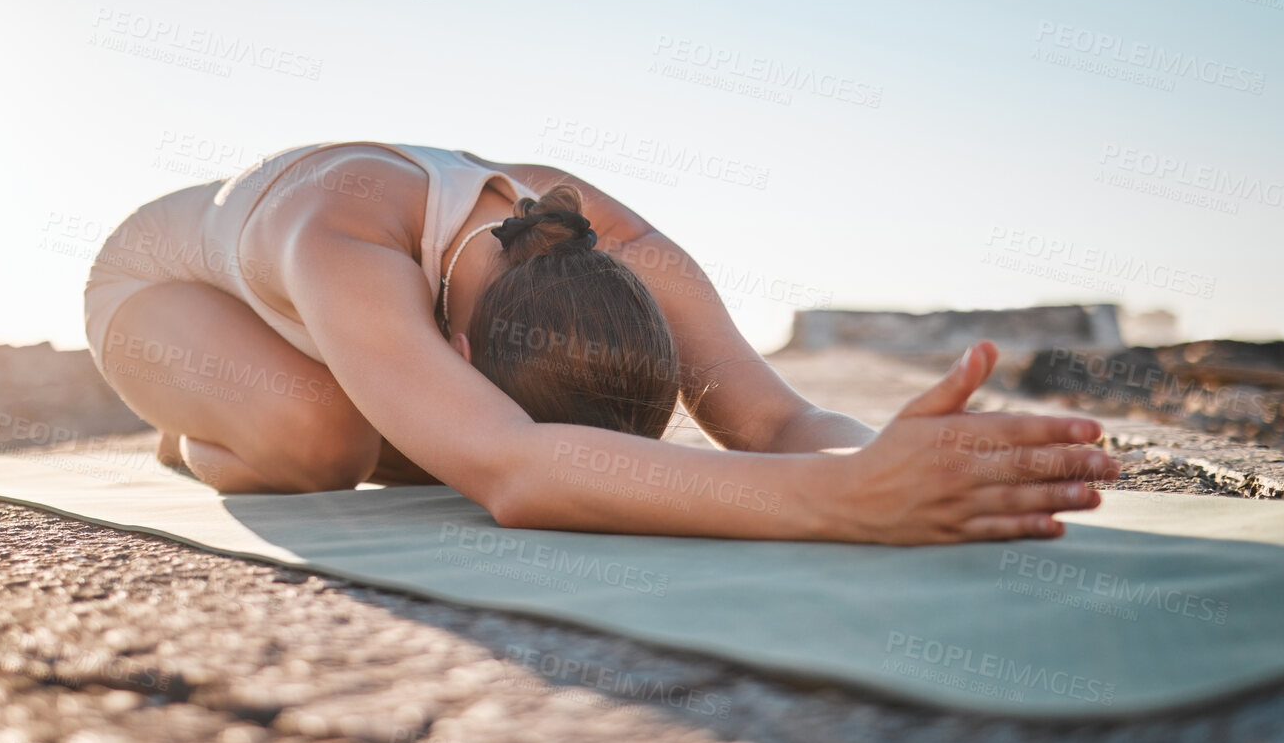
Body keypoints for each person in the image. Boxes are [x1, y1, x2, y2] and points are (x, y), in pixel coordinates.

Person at [82, 141, 1118, 544]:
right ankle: (192, 431)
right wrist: (835, 503)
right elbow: (517, 471)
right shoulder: (345, 236)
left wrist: (892, 453)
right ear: (453, 340)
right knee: (324, 442)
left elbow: (774, 417)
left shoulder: (617, 242)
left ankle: (363, 394)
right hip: (154, 293)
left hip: (337, 311)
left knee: (407, 437)